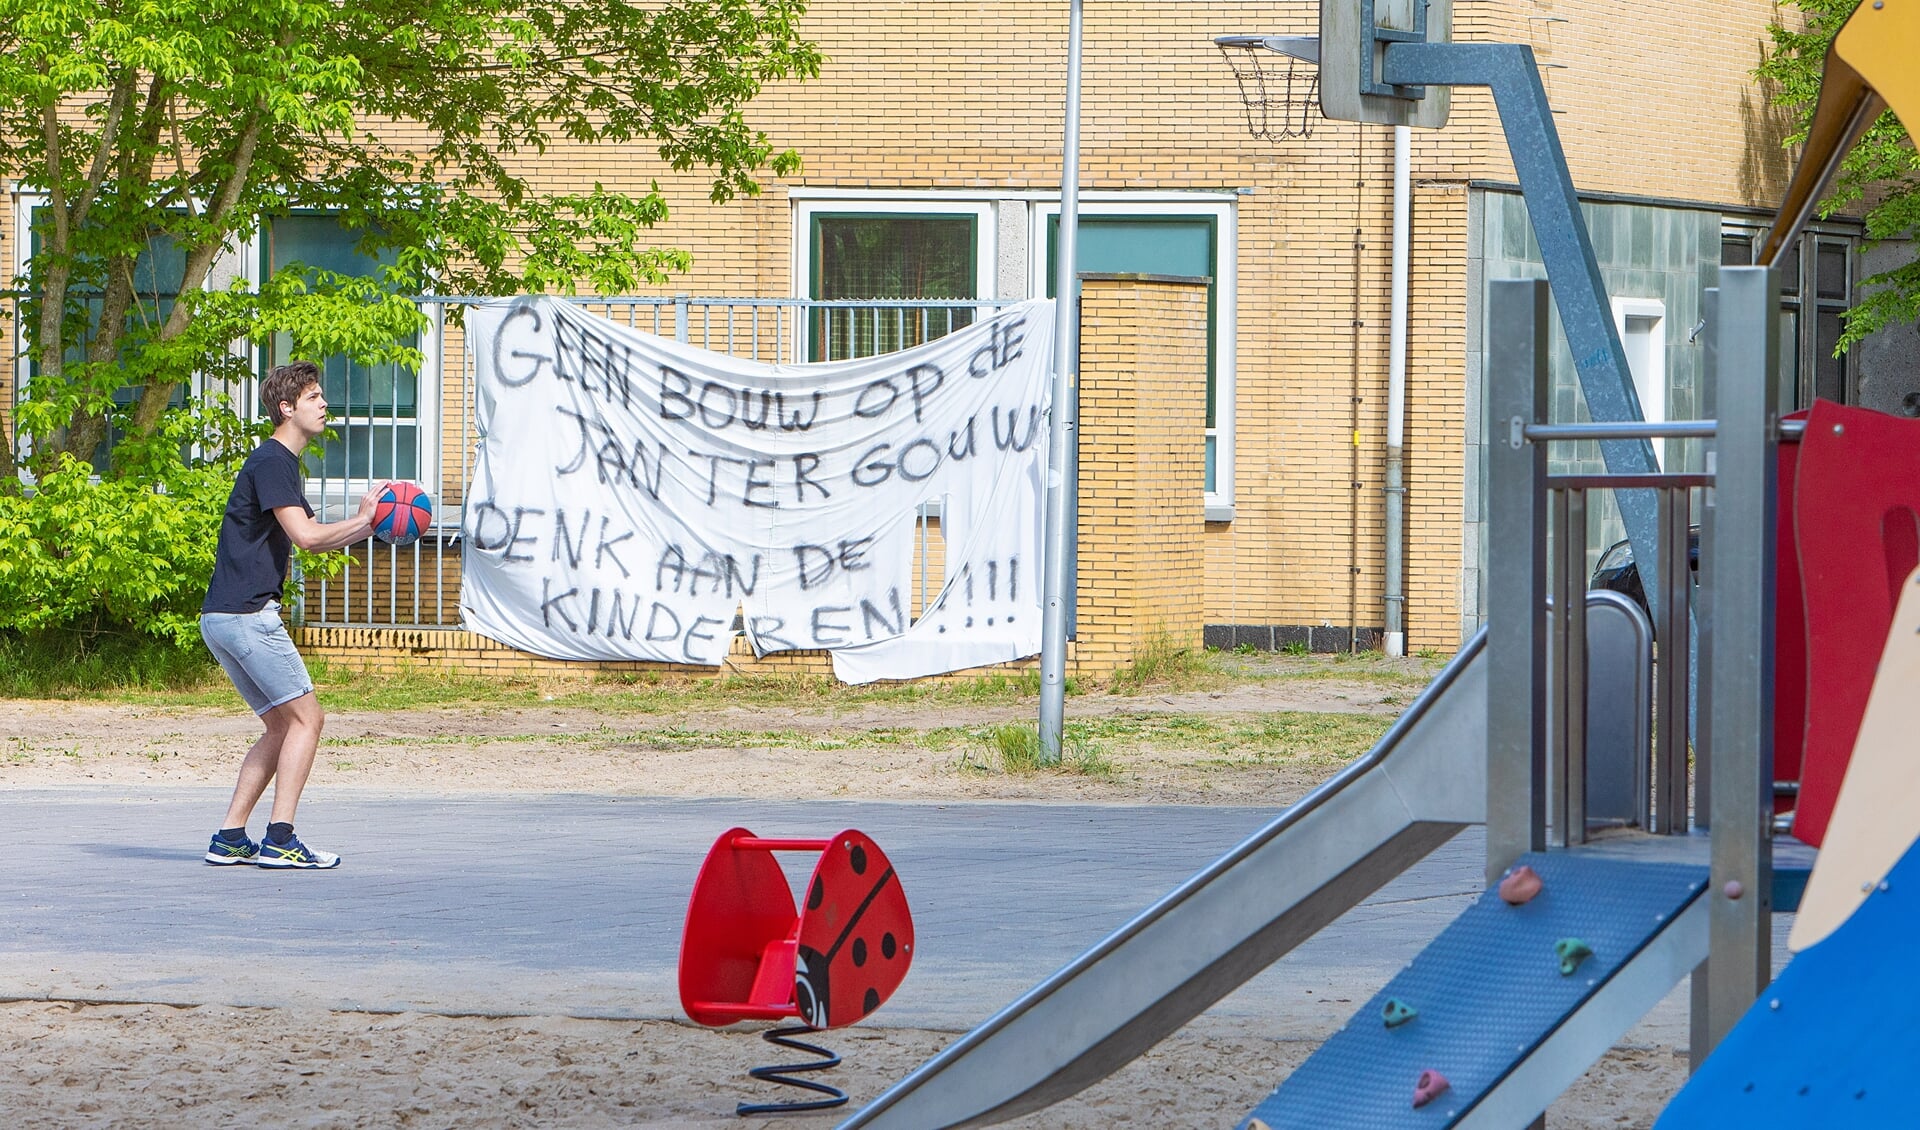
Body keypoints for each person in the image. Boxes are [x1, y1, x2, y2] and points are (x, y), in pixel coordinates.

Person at [199, 360, 388, 869]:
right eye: (314, 397)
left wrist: (367, 527)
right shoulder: (274, 460)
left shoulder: (275, 463)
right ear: (287, 408)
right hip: (247, 617)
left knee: (281, 727)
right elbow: (307, 536)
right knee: (308, 719)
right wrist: (364, 519)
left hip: (222, 616)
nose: (325, 404)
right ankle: (280, 838)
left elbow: (311, 539)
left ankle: (230, 837)